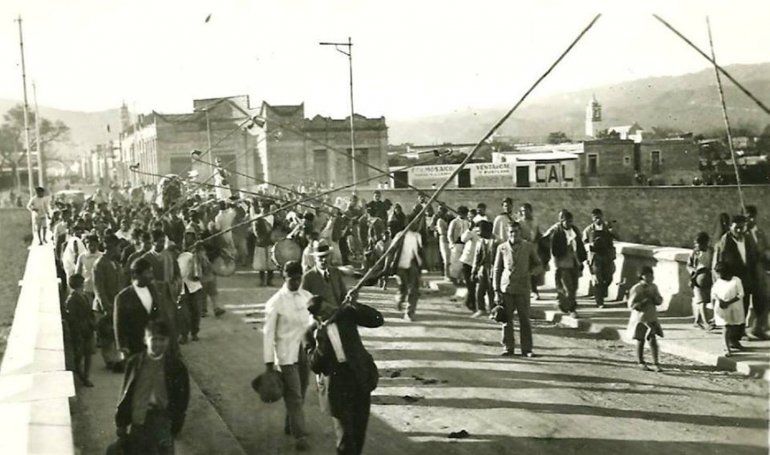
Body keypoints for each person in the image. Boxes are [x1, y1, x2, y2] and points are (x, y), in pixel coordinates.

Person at [306, 292, 384, 455]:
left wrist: (355, 304)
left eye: (329, 308)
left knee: (359, 432)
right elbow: (315, 366)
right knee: (345, 439)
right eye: (325, 312)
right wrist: (321, 342)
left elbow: (377, 320)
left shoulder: (346, 314)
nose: (331, 312)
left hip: (360, 379)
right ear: (317, 317)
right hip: (337, 389)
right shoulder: (311, 333)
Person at [115, 320, 190, 454]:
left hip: (163, 420)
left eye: (162, 340)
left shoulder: (176, 367)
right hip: (139, 418)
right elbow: (125, 392)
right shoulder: (134, 362)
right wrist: (121, 422)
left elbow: (182, 398)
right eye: (154, 339)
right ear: (145, 340)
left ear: (168, 341)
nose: (158, 344)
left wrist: (176, 424)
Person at [262, 261, 314, 451]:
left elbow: (314, 321)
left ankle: (290, 423)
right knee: (294, 395)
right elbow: (268, 334)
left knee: (303, 389)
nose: (296, 282)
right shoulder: (275, 302)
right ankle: (300, 435)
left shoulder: (307, 297)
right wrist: (269, 364)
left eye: (299, 278)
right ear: (284, 277)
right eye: (292, 279)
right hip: (285, 354)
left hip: (304, 351)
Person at [492, 222, 542, 357]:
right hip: (506, 288)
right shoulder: (502, 248)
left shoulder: (528, 247)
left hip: (523, 288)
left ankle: (527, 349)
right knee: (506, 319)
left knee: (524, 319)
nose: (513, 234)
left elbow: (538, 265)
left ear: (520, 232)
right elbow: (497, 269)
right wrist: (496, 290)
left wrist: (530, 273)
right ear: (507, 233)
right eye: (511, 232)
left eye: (516, 231)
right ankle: (508, 347)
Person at [713, 214, 763, 340]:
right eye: (737, 228)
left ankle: (738, 336)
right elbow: (719, 264)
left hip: (746, 280)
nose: (739, 230)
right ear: (730, 226)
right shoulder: (725, 241)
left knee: (743, 309)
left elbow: (754, 257)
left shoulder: (747, 239)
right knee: (732, 311)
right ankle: (732, 340)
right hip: (731, 281)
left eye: (742, 227)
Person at [114, 258, 167, 357]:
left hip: (152, 344)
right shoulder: (123, 297)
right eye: (147, 273)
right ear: (135, 275)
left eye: (151, 272)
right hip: (133, 345)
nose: (151, 276)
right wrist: (122, 347)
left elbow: (158, 314)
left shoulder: (153, 289)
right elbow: (119, 324)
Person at [543, 210, 586, 317]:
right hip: (562, 264)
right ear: (562, 221)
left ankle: (563, 304)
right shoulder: (557, 232)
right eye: (567, 221)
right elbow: (553, 249)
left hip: (574, 262)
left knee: (574, 286)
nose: (569, 223)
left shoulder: (575, 230)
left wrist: (581, 259)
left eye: (570, 221)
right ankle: (572, 309)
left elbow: (580, 244)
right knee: (568, 287)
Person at [93, 235, 125, 371]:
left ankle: (115, 360)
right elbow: (99, 288)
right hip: (105, 307)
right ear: (111, 247)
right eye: (118, 247)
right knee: (106, 336)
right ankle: (109, 361)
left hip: (116, 305)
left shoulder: (115, 263)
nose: (120, 250)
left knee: (114, 334)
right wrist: (106, 306)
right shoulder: (100, 264)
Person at [626, 266, 664, 372]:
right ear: (641, 276)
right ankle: (641, 361)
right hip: (640, 318)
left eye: (651, 275)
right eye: (647, 275)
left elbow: (659, 300)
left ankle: (656, 362)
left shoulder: (654, 287)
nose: (650, 278)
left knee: (652, 339)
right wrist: (643, 302)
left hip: (651, 316)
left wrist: (655, 298)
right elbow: (631, 305)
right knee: (640, 339)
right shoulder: (636, 288)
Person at [388, 219, 424, 322]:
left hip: (413, 264)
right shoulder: (400, 235)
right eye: (414, 223)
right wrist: (389, 265)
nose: (416, 226)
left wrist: (421, 264)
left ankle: (409, 313)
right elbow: (391, 250)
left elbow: (419, 251)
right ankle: (400, 299)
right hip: (401, 265)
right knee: (403, 287)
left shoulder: (417, 236)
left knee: (413, 289)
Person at [64, 274, 96, 387]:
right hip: (80, 331)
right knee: (80, 356)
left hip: (87, 329)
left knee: (87, 354)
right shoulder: (72, 299)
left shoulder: (83, 296)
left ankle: (85, 377)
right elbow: (72, 319)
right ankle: (83, 377)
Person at [582, 208, 617, 308]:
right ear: (592, 218)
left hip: (607, 256)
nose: (598, 219)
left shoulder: (607, 228)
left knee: (609, 277)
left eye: (599, 217)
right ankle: (599, 301)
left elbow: (616, 238)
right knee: (598, 279)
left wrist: (612, 230)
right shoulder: (588, 230)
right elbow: (584, 243)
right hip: (595, 257)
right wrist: (590, 245)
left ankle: (601, 292)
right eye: (595, 217)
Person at [711, 262, 746, 356]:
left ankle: (733, 342)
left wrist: (728, 302)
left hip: (735, 307)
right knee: (726, 327)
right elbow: (714, 293)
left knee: (734, 326)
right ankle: (727, 348)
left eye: (720, 273)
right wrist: (720, 301)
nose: (718, 275)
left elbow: (741, 294)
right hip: (723, 308)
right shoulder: (718, 282)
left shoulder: (736, 280)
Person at [745, 205, 769, 339]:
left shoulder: (760, 233)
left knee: (762, 300)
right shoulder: (742, 234)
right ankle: (740, 332)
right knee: (743, 303)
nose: (750, 220)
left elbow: (767, 248)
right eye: (747, 217)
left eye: (752, 217)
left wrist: (765, 255)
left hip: (759, 272)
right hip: (746, 272)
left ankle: (758, 328)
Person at [301, 240, 347, 309]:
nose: (324, 259)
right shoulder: (308, 277)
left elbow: (344, 295)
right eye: (320, 257)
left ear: (330, 256)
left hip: (339, 313)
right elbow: (303, 302)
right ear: (315, 258)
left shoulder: (335, 272)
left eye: (326, 256)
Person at [177, 230, 205, 344]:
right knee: (183, 313)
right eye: (186, 238)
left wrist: (198, 251)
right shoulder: (177, 252)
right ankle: (184, 334)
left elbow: (205, 265)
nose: (187, 241)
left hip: (194, 285)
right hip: (181, 286)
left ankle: (194, 332)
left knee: (196, 311)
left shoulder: (198, 252)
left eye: (190, 239)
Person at [687, 232, 714, 330]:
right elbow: (689, 265)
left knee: (705, 300)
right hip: (697, 279)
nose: (696, 245)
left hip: (709, 278)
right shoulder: (694, 253)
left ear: (705, 243)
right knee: (702, 301)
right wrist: (694, 272)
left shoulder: (711, 251)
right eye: (695, 243)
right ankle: (706, 323)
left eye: (698, 243)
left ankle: (697, 321)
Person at [470, 220, 495, 318]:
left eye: (479, 231)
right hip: (483, 268)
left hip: (493, 268)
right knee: (480, 290)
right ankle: (481, 309)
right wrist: (474, 271)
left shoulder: (497, 241)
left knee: (492, 291)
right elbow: (476, 257)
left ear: (486, 230)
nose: (478, 233)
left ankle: (493, 311)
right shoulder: (480, 242)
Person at [252, 200, 278, 286]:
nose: (264, 210)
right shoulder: (258, 218)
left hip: (270, 242)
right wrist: (262, 237)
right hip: (261, 243)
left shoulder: (272, 217)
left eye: (266, 208)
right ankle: (262, 281)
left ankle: (269, 281)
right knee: (261, 264)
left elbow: (275, 229)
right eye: (263, 208)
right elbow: (256, 232)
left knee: (271, 264)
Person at [76, 234, 103, 299]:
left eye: (94, 244)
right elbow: (78, 273)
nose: (91, 247)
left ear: (97, 244)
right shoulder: (82, 256)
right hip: (86, 287)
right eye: (89, 244)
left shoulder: (102, 256)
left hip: (100, 288)